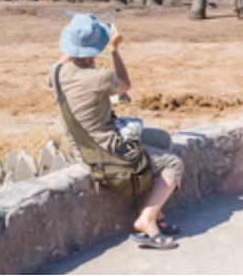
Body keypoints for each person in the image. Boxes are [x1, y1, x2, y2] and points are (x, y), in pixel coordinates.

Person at [49, 13, 183, 250]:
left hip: (81, 147)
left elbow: (65, 60)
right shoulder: (101, 77)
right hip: (107, 151)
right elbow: (124, 84)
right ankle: (146, 220)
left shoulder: (57, 72)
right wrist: (113, 49)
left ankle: (151, 207)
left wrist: (79, 45)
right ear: (95, 48)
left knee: (162, 140)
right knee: (173, 164)